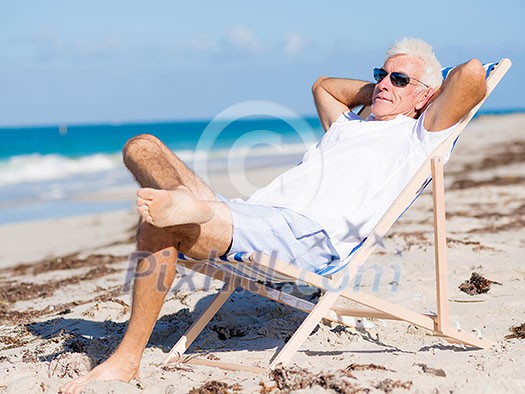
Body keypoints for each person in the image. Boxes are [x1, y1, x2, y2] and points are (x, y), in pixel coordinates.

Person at [59, 37, 487, 393]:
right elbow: (323, 85)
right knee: (141, 146)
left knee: (162, 220)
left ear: (427, 95)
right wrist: (386, 89)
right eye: (380, 75)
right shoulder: (350, 125)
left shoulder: (419, 136)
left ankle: (127, 358)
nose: (382, 85)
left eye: (397, 79)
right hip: (254, 216)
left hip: (307, 238)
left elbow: (470, 75)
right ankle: (186, 205)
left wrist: (422, 93)